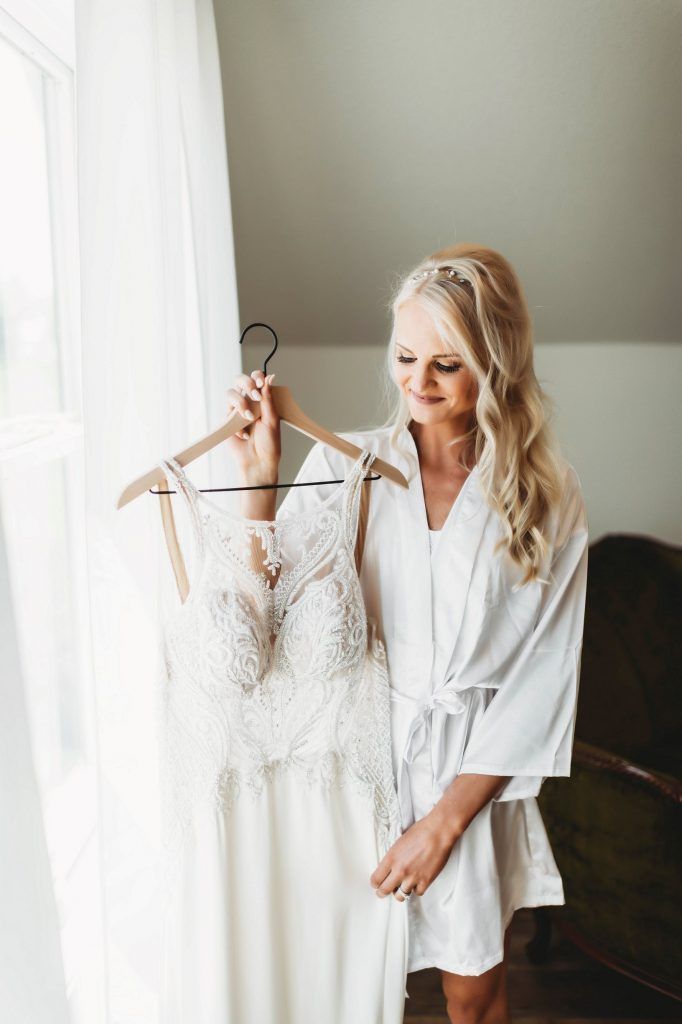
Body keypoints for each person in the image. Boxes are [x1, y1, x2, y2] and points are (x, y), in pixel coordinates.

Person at [223, 242, 589, 1024]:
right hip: (355, 761)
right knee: (344, 981)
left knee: (473, 990)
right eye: (404, 356)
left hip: (471, 772)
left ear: (494, 364)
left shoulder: (545, 497)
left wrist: (444, 823)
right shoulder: (349, 468)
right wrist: (259, 482)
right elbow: (263, 604)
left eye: (447, 365)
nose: (417, 384)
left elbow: (541, 676)